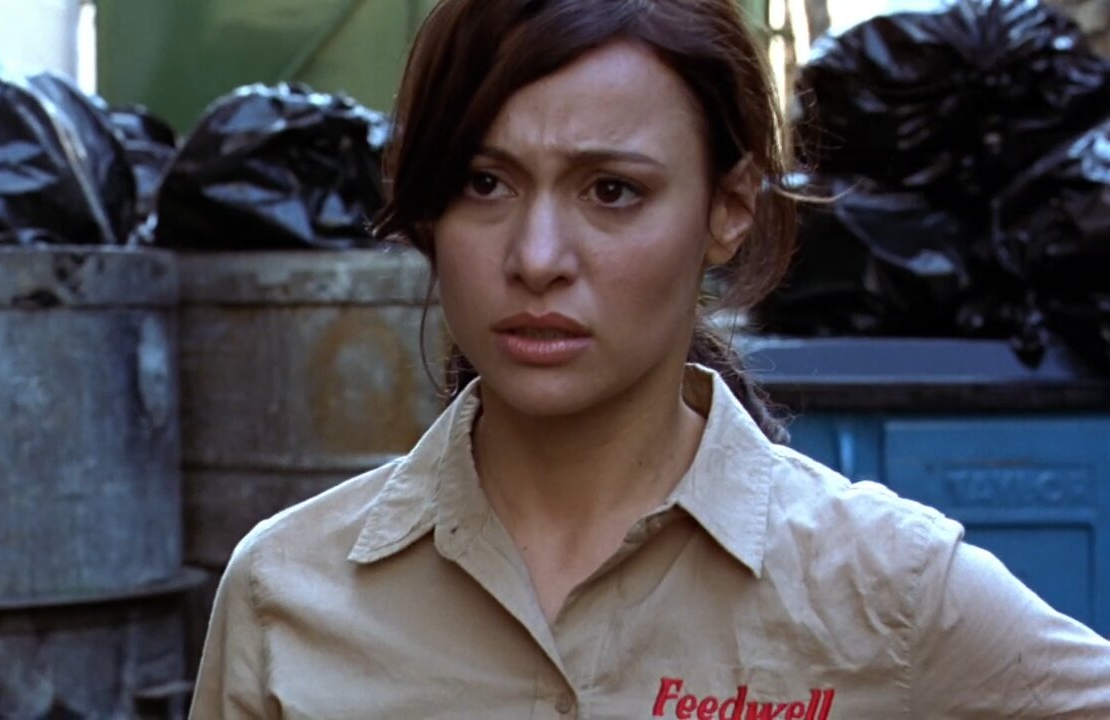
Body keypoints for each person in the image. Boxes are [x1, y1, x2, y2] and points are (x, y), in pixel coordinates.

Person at [190, 0, 1110, 717]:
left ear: (729, 208)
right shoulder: (286, 592)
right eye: (485, 182)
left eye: (612, 191)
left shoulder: (883, 587)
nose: (537, 257)